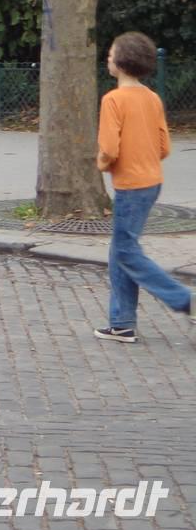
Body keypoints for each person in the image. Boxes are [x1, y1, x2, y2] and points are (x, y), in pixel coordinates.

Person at [94, 31, 193, 342]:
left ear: (122, 62)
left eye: (110, 53)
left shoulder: (113, 100)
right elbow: (164, 146)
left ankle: (184, 299)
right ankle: (121, 322)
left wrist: (101, 163)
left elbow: (109, 148)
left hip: (130, 186)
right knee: (121, 250)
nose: (107, 58)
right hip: (152, 182)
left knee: (125, 250)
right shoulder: (152, 98)